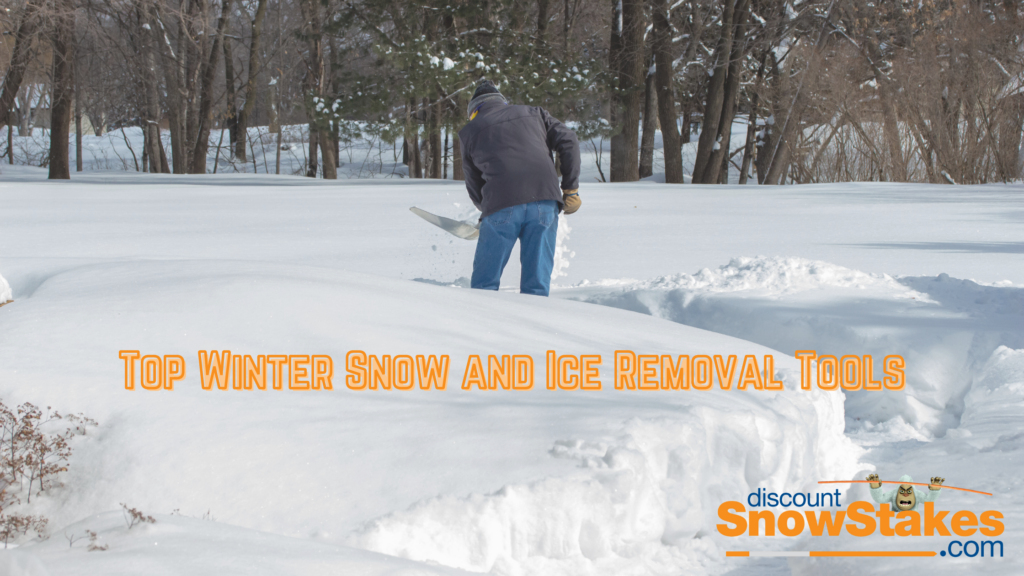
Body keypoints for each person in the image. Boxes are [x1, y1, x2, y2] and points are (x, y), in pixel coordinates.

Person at [458, 80, 581, 297]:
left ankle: (480, 328)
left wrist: (485, 212)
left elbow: (474, 183)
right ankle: (532, 327)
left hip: (500, 206)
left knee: (484, 288)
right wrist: (570, 188)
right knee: (536, 289)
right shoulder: (534, 113)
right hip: (545, 202)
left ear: (475, 111)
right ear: (502, 102)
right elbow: (569, 139)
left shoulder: (470, 131)